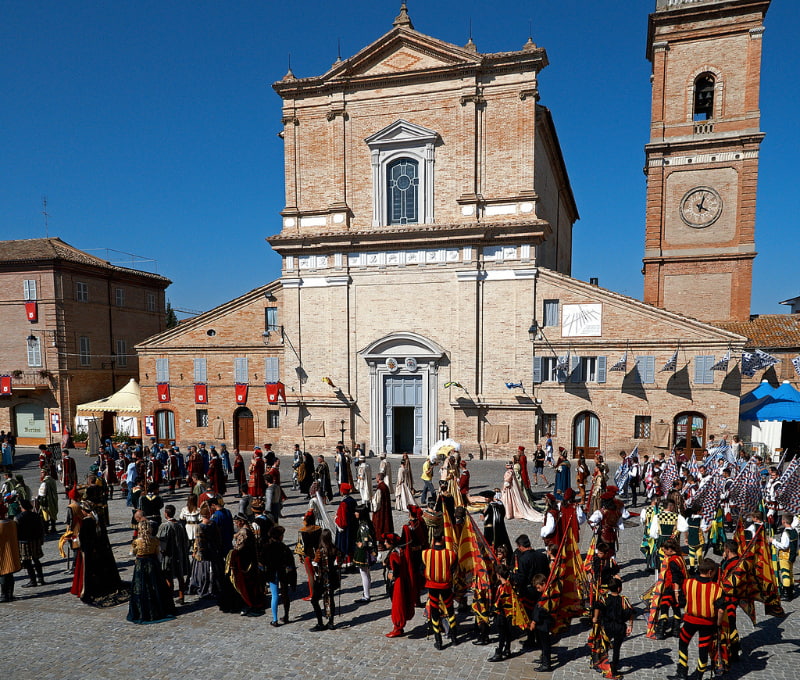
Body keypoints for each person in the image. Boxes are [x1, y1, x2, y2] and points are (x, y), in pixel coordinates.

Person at [667, 559, 725, 680]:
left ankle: (682, 672)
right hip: (708, 623)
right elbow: (720, 610)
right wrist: (718, 624)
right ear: (710, 572)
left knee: (683, 643)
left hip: (690, 621)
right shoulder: (717, 588)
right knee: (703, 649)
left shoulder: (687, 583)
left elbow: (682, 602)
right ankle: (699, 675)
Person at [76, 500, 126, 605]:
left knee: (91, 570)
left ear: (85, 511)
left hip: (90, 550)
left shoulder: (87, 521)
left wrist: (77, 540)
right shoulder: (98, 518)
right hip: (100, 548)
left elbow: (84, 538)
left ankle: (93, 589)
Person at [128, 519, 176, 623]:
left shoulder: (136, 542)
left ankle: (142, 611)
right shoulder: (155, 540)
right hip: (152, 564)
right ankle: (158, 608)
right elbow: (159, 555)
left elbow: (131, 554)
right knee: (155, 586)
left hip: (141, 565)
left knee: (141, 587)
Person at [589, 577, 635, 680]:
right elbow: (631, 612)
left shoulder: (604, 598)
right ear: (619, 588)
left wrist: (595, 618)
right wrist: (630, 625)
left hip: (607, 626)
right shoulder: (624, 600)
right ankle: (613, 669)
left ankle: (599, 662)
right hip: (619, 627)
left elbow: (597, 606)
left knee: (603, 645)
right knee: (616, 649)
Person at [225, 513, 267, 616]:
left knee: (245, 584)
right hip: (249, 561)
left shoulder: (244, 532)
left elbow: (238, 547)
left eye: (236, 522)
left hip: (245, 563)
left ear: (241, 522)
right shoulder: (246, 530)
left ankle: (249, 603)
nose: (235, 524)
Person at [422, 533, 458, 650]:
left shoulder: (425, 553)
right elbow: (453, 569)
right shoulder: (451, 554)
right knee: (450, 610)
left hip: (432, 587)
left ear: (433, 540)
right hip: (446, 586)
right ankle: (454, 638)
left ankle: (439, 641)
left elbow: (423, 568)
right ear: (443, 540)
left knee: (434, 611)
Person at [262, 524, 296, 626]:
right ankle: (286, 615)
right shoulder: (284, 548)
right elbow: (291, 564)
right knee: (285, 595)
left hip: (272, 573)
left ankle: (275, 619)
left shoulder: (266, 547)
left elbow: (261, 562)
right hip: (283, 573)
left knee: (275, 595)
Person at [187, 504, 223, 598]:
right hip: (213, 549)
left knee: (203, 571)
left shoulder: (200, 526)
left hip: (205, 551)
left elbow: (199, 542)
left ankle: (205, 587)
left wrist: (198, 552)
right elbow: (218, 537)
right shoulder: (213, 524)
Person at [383, 532, 415, 637]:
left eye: (386, 542)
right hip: (403, 581)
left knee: (397, 604)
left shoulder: (393, 554)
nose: (384, 543)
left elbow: (395, 571)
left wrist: (391, 575)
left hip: (397, 583)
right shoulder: (400, 551)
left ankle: (397, 627)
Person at [157, 504, 189, 605]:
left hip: (169, 555)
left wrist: (160, 552)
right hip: (180, 554)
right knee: (180, 577)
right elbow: (186, 540)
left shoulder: (164, 526)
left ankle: (169, 598)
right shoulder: (180, 525)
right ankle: (181, 596)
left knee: (168, 577)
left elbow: (161, 542)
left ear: (166, 514)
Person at [309, 528, 340, 631]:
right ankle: (331, 622)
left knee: (314, 600)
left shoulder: (319, 551)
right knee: (330, 598)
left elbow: (314, 563)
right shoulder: (334, 548)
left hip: (322, 579)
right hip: (332, 578)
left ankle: (320, 623)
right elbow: (340, 559)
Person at [15, 498, 45, 587]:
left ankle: (33, 580)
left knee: (27, 562)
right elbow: (41, 528)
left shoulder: (18, 518)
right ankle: (41, 578)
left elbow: (16, 531)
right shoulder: (36, 515)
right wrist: (41, 539)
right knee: (36, 560)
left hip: (24, 542)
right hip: (36, 540)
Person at [529, 573, 555, 671]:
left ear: (544, 584)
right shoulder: (544, 593)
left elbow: (543, 610)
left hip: (544, 623)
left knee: (545, 644)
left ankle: (546, 664)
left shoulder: (547, 595)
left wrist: (534, 621)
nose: (537, 590)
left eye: (539, 587)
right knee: (541, 643)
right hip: (541, 623)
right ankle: (544, 659)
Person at [353, 504, 376, 603]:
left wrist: (359, 544)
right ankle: (367, 592)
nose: (355, 513)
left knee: (364, 574)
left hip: (363, 553)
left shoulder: (363, 526)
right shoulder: (367, 523)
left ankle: (366, 595)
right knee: (367, 572)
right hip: (367, 552)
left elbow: (365, 541)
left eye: (357, 512)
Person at [772, 513, 798, 601]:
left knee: (785, 573)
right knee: (790, 573)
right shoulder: (794, 531)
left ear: (783, 521)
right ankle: (790, 591)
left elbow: (784, 546)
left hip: (785, 555)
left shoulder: (786, 533)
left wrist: (774, 541)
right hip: (792, 555)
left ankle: (787, 593)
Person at [0, 501, 21, 602]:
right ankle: (10, 594)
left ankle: (4, 595)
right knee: (9, 574)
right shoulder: (12, 523)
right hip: (12, 552)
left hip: (1, 553)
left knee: (3, 573)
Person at [334, 482, 357, 568]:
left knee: (344, 546)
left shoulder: (343, 503)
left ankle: (344, 564)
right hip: (352, 527)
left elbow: (342, 519)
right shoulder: (353, 501)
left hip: (345, 529)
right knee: (351, 546)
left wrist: (336, 518)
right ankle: (351, 562)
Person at [371, 471, 394, 537]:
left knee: (380, 524)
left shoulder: (380, 488)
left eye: (376, 478)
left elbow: (377, 502)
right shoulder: (385, 486)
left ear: (378, 478)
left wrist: (372, 499)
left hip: (381, 510)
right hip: (386, 509)